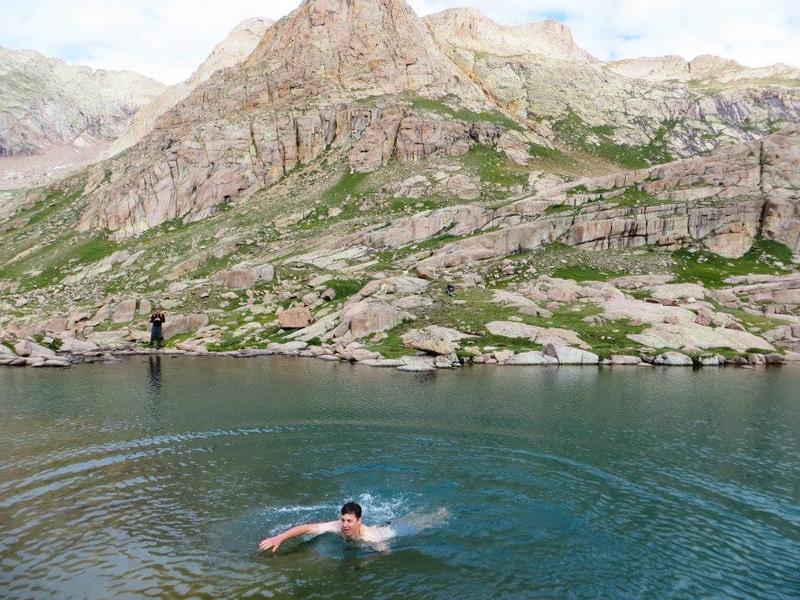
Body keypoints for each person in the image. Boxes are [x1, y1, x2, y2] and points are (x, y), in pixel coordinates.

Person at [258, 501, 393, 553]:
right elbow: (308, 528)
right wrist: (280, 538)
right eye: (343, 519)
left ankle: (388, 522)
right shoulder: (338, 526)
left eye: (349, 521)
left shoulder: (370, 538)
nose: (345, 525)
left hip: (385, 533)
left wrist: (364, 563)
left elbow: (386, 552)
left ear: (359, 520)